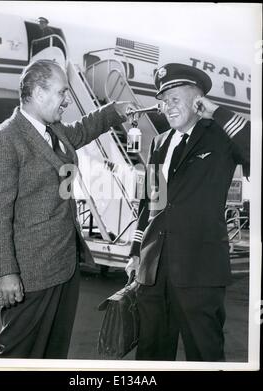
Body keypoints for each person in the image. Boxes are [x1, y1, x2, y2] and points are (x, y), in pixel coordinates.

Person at [0, 59, 131, 359]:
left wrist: (114, 112)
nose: (66, 100)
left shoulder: (55, 130)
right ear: (37, 92)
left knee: (53, 353)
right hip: (30, 275)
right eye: (62, 92)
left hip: (64, 267)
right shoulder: (5, 139)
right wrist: (5, 273)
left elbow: (83, 129)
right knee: (18, 355)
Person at [126, 63, 250, 362]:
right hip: (153, 269)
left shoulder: (220, 137)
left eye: (175, 99)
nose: (167, 107)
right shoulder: (158, 142)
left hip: (200, 268)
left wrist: (217, 112)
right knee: (151, 353)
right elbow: (150, 203)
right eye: (164, 100)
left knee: (204, 353)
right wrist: (134, 252)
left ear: (198, 101)